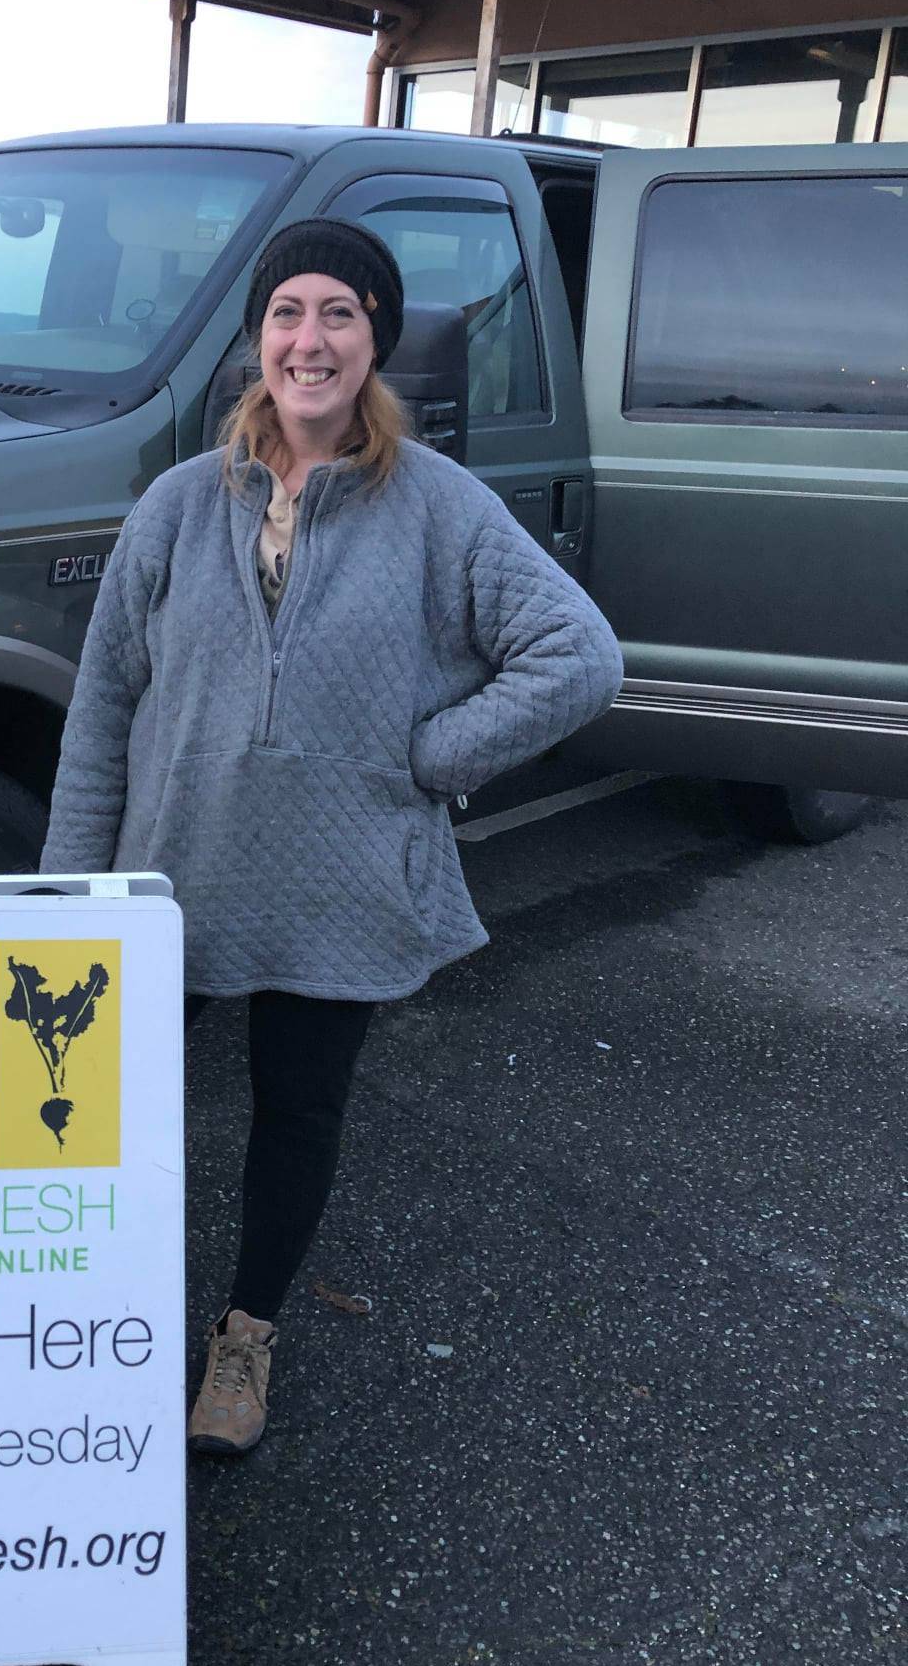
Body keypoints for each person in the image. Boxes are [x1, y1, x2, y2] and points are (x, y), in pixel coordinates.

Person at [40, 217, 623, 1457]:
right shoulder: (178, 507)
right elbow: (102, 710)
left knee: (297, 1116)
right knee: (98, 1108)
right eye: (289, 312)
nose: (311, 340)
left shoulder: (441, 509)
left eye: (340, 314)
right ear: (260, 338)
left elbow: (581, 655)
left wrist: (434, 753)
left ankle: (244, 1339)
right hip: (170, 877)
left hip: (335, 882)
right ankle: (82, 1322)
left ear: (375, 338)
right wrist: (64, 896)